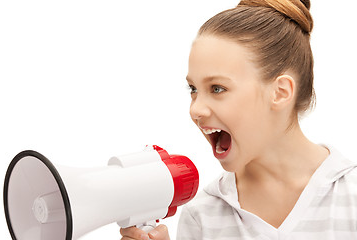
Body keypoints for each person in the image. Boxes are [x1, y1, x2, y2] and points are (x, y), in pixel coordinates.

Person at [120, 0, 357, 239]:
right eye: (193, 89)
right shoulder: (203, 215)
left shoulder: (351, 197)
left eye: (217, 88)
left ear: (280, 92)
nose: (195, 110)